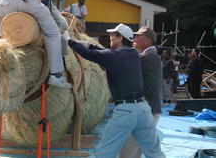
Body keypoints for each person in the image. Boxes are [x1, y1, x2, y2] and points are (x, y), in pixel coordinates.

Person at [66, 23, 165, 158]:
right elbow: (105, 53)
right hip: (143, 110)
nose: (110, 38)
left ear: (120, 38)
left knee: (104, 153)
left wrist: (69, 41)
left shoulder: (117, 56)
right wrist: (87, 44)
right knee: (154, 153)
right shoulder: (134, 55)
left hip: (126, 111)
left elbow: (89, 54)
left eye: (113, 35)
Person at [119, 27, 163, 158]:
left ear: (147, 41)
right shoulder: (149, 56)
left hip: (146, 113)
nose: (134, 38)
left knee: (127, 151)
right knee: (135, 150)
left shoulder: (149, 57)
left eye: (138, 36)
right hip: (148, 112)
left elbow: (122, 66)